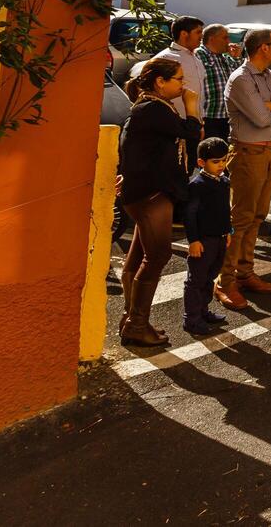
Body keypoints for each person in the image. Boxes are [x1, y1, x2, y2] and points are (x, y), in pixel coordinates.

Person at [117, 57, 202, 347]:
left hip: (144, 191)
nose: (183, 85)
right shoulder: (154, 109)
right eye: (178, 79)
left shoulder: (149, 108)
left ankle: (131, 319)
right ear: (160, 82)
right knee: (157, 256)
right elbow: (191, 133)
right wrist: (192, 108)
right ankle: (136, 324)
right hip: (151, 194)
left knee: (139, 255)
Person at [217, 28, 271, 310]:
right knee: (241, 218)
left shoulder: (270, 77)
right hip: (249, 153)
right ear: (264, 48)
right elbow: (262, 118)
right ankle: (225, 281)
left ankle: (245, 272)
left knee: (258, 216)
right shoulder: (240, 79)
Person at [182, 137, 234, 337]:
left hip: (220, 238)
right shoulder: (197, 185)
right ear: (201, 163)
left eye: (224, 160)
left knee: (210, 276)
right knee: (196, 280)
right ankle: (191, 319)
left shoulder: (224, 182)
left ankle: (203, 311)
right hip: (203, 241)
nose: (221, 165)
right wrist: (193, 240)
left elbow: (224, 210)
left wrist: (228, 231)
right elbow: (190, 214)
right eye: (216, 162)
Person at [151, 15, 205, 171]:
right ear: (184, 34)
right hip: (173, 128)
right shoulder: (166, 59)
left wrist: (200, 122)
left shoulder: (196, 59)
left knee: (189, 170)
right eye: (198, 32)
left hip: (192, 125)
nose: (201, 37)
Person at [194, 23, 239, 142]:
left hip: (226, 117)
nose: (228, 41)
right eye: (225, 37)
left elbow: (238, 78)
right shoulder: (198, 54)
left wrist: (235, 58)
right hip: (207, 118)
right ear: (212, 39)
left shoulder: (224, 57)